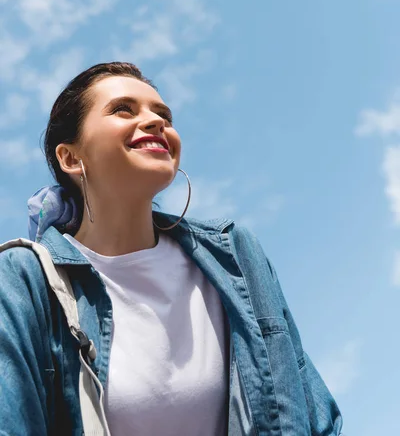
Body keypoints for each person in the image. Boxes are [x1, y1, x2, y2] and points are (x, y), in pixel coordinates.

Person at [0, 61, 343, 436]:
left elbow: (316, 418)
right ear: (69, 158)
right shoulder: (23, 280)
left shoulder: (237, 257)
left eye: (163, 114)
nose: (155, 122)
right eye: (123, 110)